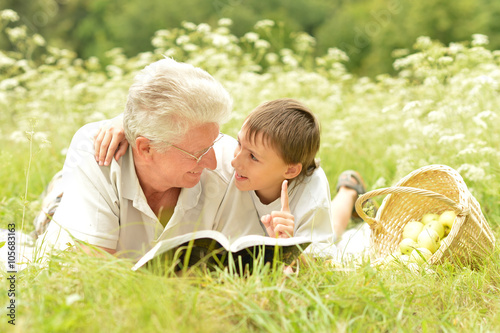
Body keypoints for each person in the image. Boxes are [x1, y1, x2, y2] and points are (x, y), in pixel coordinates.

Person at [35, 58, 237, 260]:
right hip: (68, 202)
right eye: (198, 153)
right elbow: (93, 263)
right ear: (146, 148)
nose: (212, 162)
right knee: (54, 215)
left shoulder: (231, 159)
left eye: (213, 144)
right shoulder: (95, 148)